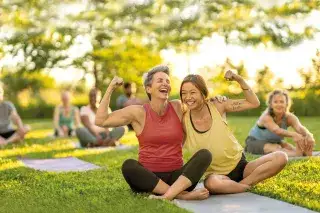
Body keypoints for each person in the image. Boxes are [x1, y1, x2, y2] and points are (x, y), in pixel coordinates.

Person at [95, 65, 212, 201]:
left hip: (177, 178)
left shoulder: (177, 106)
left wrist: (217, 100)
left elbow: (199, 106)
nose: (165, 84)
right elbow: (101, 120)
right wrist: (110, 88)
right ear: (148, 88)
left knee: (205, 155)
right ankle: (181, 195)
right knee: (129, 165)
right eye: (160, 80)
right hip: (148, 179)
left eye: (168, 81)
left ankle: (169, 194)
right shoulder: (138, 112)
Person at [180, 71, 288, 195]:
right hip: (216, 176)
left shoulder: (218, 105)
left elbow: (253, 103)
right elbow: (178, 148)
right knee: (211, 184)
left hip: (241, 167)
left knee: (281, 157)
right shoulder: (184, 120)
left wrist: (239, 79)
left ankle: (241, 185)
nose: (188, 97)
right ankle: (246, 186)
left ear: (203, 93)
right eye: (184, 93)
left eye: (193, 92)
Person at [245, 89, 315, 157]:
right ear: (271, 104)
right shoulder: (266, 117)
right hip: (254, 142)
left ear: (286, 104)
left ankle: (301, 153)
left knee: (290, 148)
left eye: (282, 102)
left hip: (275, 141)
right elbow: (277, 130)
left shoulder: (289, 117)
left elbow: (299, 128)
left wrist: (308, 135)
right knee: (277, 148)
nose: (279, 104)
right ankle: (297, 155)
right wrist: (294, 135)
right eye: (275, 102)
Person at [0, 82, 30, 147]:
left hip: (9, 131)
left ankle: (6, 142)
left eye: (0, 92)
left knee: (27, 127)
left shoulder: (8, 105)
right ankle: (13, 139)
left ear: (2, 94)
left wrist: (20, 127)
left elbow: (16, 117)